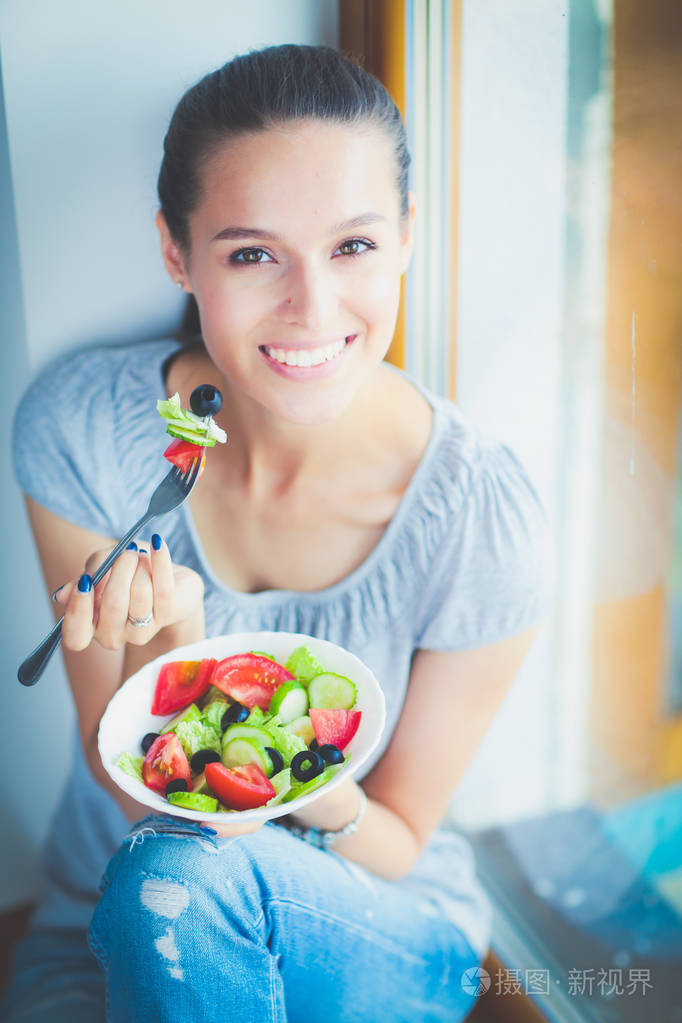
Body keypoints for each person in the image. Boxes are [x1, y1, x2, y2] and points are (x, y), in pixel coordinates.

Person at [3, 44, 552, 1023]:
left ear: (407, 236)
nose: (312, 309)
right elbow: (135, 802)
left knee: (181, 879)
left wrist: (304, 777)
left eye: (352, 247)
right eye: (252, 253)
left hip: (372, 922)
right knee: (163, 889)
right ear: (177, 253)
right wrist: (176, 651)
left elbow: (395, 842)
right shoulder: (81, 430)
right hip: (107, 918)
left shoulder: (481, 517)